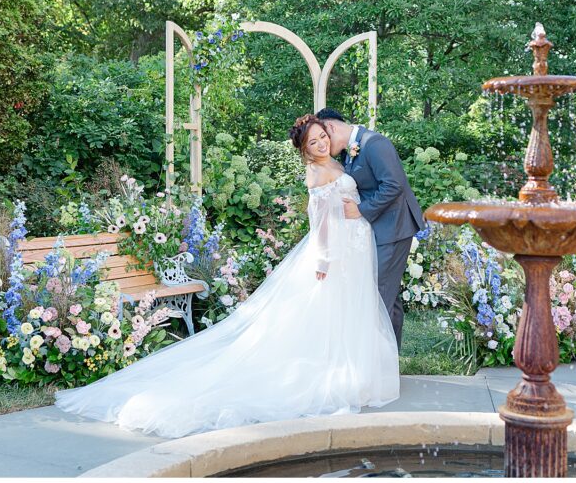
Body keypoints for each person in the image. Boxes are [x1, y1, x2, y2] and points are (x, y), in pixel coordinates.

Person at [54, 114, 399, 438]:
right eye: (313, 142)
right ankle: (331, 378)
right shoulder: (317, 174)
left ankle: (351, 376)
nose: (322, 143)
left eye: (323, 137)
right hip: (336, 251)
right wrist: (322, 259)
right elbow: (319, 220)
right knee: (329, 312)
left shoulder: (337, 162)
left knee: (349, 309)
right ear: (304, 150)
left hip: (354, 246)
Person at [315, 108, 426, 347]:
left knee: (377, 296)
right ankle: (389, 366)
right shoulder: (349, 152)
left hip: (393, 229)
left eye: (324, 137)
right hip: (375, 230)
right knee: (388, 297)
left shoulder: (374, 143)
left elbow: (393, 185)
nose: (324, 144)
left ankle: (377, 367)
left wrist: (361, 209)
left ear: (332, 128)